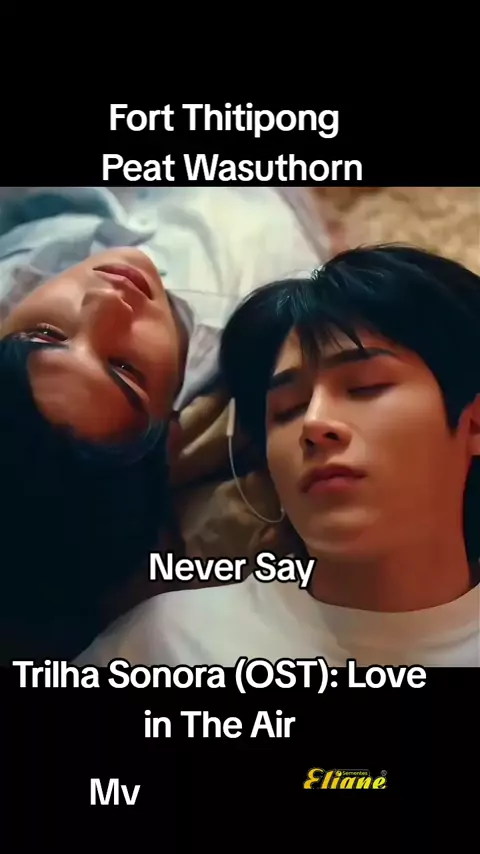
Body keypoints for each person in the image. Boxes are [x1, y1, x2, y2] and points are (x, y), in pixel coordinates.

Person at [77, 244, 480, 667]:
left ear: (472, 424)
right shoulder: (165, 645)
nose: (314, 423)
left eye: (364, 388)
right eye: (287, 410)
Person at [0, 186, 320, 660]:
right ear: (170, 434)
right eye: (125, 369)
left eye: (44, 335)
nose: (106, 302)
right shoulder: (263, 286)